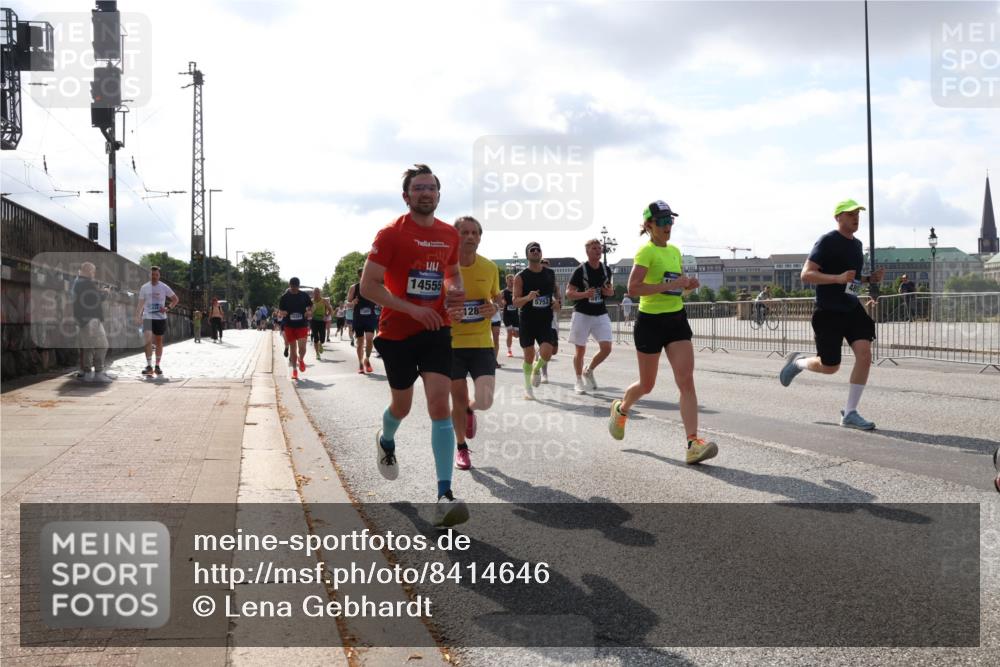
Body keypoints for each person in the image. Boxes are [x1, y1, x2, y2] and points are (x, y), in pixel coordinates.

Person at [363, 163, 468, 527]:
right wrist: (412, 309)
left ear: (439, 195)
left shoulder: (448, 235)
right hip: (397, 332)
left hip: (437, 328)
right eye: (419, 188)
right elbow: (369, 286)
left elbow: (452, 273)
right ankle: (386, 437)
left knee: (440, 405)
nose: (426, 193)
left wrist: (454, 291)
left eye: (432, 188)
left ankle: (443, 495)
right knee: (402, 407)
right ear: (406, 196)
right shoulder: (391, 234)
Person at [607, 201, 718, 464]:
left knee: (686, 379)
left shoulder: (675, 251)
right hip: (650, 322)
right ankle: (621, 409)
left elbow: (675, 288)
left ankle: (693, 443)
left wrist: (688, 286)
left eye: (670, 221)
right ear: (649, 226)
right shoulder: (645, 252)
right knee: (647, 384)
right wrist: (670, 283)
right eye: (662, 222)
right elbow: (633, 288)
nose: (668, 226)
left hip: (676, 319)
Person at [779, 199, 884, 430]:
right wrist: (836, 278)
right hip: (827, 310)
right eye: (850, 214)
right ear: (838, 217)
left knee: (865, 355)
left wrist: (868, 281)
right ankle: (798, 363)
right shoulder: (827, 241)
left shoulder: (857, 246)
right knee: (830, 367)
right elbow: (806, 275)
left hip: (851, 307)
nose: (855, 217)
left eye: (858, 213)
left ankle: (850, 413)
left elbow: (851, 282)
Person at [448, 216, 500, 471]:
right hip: (451, 344)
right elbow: (430, 303)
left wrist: (494, 307)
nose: (470, 237)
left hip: (481, 342)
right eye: (465, 232)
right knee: (456, 399)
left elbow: (497, 298)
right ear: (455, 236)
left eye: (475, 233)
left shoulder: (489, 268)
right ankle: (461, 448)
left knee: (486, 399)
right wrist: (446, 312)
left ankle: (471, 410)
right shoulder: (443, 269)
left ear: (480, 237)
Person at [566, 239, 615, 394]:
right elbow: (569, 293)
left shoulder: (606, 269)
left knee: (606, 348)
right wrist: (585, 294)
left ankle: (590, 369)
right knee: (580, 351)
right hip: (582, 313)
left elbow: (610, 290)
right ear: (587, 251)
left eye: (600, 248)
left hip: (600, 312)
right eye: (594, 248)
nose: (598, 251)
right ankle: (579, 380)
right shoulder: (580, 270)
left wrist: (609, 292)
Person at [513, 243, 557, 399]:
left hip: (545, 319)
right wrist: (528, 297)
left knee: (547, 352)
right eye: (532, 250)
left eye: (538, 249)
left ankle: (536, 369)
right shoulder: (520, 276)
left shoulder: (550, 273)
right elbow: (515, 302)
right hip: (527, 321)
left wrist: (557, 302)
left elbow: (556, 294)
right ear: (527, 255)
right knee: (529, 356)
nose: (536, 251)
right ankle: (528, 388)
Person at [134, 265, 179, 376]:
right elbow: (140, 303)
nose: (154, 276)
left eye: (156, 275)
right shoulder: (144, 287)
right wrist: (137, 316)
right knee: (148, 340)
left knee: (159, 341)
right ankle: (149, 366)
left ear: (159, 276)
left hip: (160, 318)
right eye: (152, 274)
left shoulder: (164, 287)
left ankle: (157, 366)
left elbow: (175, 299)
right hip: (147, 317)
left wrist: (168, 308)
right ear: (149, 275)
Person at [71, 261, 112, 383]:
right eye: (93, 271)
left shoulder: (77, 282)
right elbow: (96, 299)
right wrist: (106, 293)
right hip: (91, 319)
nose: (94, 274)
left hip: (83, 320)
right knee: (102, 345)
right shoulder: (86, 283)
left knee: (88, 347)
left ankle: (87, 374)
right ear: (88, 271)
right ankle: (98, 372)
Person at [277, 277, 313, 380]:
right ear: (289, 285)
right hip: (289, 325)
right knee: (293, 348)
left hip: (302, 325)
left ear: (298, 286)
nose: (294, 290)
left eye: (296, 288)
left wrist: (309, 312)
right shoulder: (284, 297)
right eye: (292, 288)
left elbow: (311, 306)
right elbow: (280, 311)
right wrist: (283, 313)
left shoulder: (304, 295)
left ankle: (301, 359)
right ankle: (294, 370)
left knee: (302, 347)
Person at [348, 267, 378, 374]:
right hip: (359, 318)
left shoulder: (373, 286)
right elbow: (348, 302)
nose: (363, 276)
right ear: (359, 275)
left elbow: (380, 299)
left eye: (365, 273)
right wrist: (353, 302)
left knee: (370, 339)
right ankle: (360, 363)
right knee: (360, 343)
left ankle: (367, 359)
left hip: (370, 317)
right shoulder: (354, 287)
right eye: (361, 274)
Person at [500, 274, 520, 357]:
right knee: (509, 332)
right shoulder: (503, 292)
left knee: (517, 335)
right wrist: (502, 302)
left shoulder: (517, 291)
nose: (511, 281)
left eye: (512, 280)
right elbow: (500, 302)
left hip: (515, 315)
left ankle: (513, 332)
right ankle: (509, 351)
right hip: (507, 315)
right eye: (509, 280)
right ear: (506, 281)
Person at [310, 288, 332, 360]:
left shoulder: (324, 301)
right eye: (315, 292)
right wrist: (310, 313)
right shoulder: (311, 301)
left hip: (322, 321)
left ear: (320, 293)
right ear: (313, 293)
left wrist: (327, 315)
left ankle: (320, 344)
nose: (316, 294)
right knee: (315, 338)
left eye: (318, 292)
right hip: (314, 321)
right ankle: (317, 354)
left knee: (322, 339)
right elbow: (307, 310)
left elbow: (330, 309)